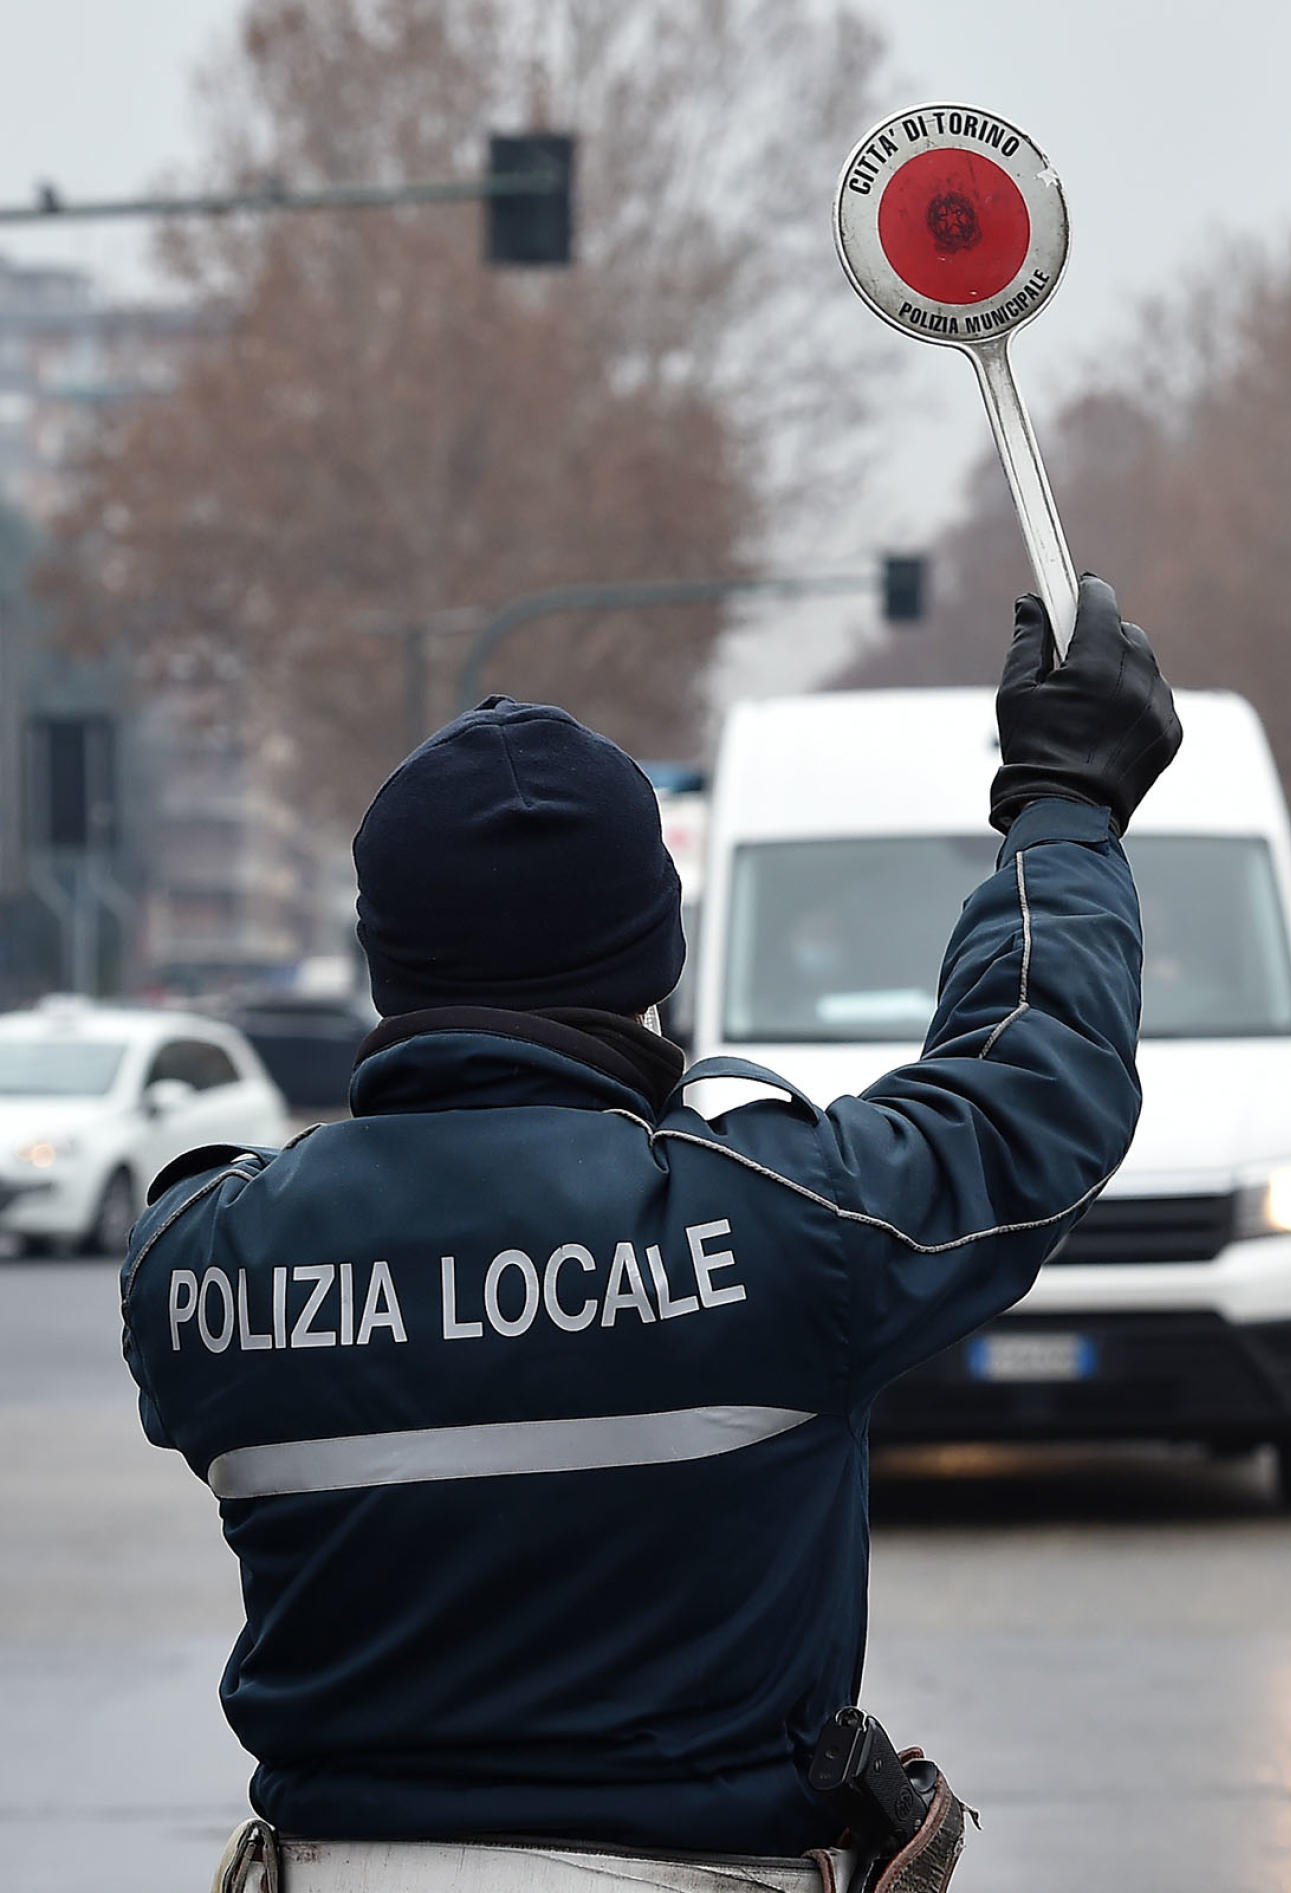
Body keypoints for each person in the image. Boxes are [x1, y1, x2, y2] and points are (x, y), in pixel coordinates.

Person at [122, 580, 1180, 1893]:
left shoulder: (201, 1270)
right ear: (655, 948)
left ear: (384, 953)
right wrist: (1064, 805)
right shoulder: (780, 1221)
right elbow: (1025, 1092)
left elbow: (192, 1201)